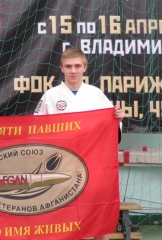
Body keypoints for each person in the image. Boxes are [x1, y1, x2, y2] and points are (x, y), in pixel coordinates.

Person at [34, 47, 124, 240]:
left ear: (85, 68)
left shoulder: (95, 94)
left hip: (92, 163)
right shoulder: (51, 95)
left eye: (77, 66)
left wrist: (117, 118)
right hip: (62, 163)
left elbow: (110, 126)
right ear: (61, 68)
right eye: (68, 66)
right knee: (66, 215)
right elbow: (37, 128)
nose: (73, 70)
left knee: (97, 213)